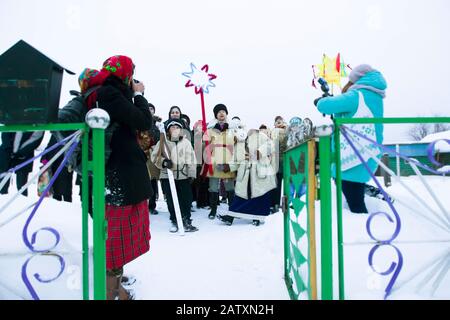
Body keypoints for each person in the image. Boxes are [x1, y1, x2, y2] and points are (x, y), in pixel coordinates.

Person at [91, 55, 153, 300]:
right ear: (125, 75)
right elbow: (143, 120)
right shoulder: (110, 94)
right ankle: (110, 292)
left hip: (123, 176)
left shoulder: (112, 93)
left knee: (121, 237)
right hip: (120, 177)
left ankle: (115, 284)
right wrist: (138, 95)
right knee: (115, 239)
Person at [316, 64, 387, 214]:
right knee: (354, 195)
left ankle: (362, 231)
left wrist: (320, 101)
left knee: (356, 206)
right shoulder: (374, 95)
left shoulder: (358, 95)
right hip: (367, 152)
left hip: (354, 157)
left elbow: (326, 106)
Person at [219, 128, 277, 226]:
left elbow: (270, 144)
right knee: (240, 196)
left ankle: (257, 217)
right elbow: (236, 161)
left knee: (260, 196)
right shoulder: (238, 146)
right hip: (245, 175)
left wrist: (259, 153)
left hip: (260, 172)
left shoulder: (259, 136)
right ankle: (230, 217)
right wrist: (227, 166)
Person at [151, 118, 198, 232]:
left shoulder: (186, 143)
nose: (175, 129)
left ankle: (186, 219)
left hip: (183, 176)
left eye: (178, 127)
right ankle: (175, 219)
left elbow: (191, 159)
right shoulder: (163, 142)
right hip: (167, 176)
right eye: (173, 127)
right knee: (171, 200)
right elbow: (154, 157)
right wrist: (163, 162)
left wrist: (191, 173)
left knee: (186, 199)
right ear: (168, 130)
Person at [203, 104, 237, 220]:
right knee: (213, 187)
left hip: (228, 160)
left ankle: (232, 209)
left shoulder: (233, 129)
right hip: (214, 160)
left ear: (226, 113)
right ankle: (213, 209)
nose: (221, 113)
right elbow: (205, 144)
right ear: (216, 115)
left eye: (223, 111)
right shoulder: (210, 129)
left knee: (229, 187)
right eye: (219, 112)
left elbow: (237, 143)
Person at [0, 131, 44, 196]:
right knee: (2, 183)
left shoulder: (37, 121)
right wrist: (8, 147)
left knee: (22, 185)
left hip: (25, 156)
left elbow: (36, 138)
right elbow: (6, 131)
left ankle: (22, 201)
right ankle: (2, 199)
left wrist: (22, 152)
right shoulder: (11, 120)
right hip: (6, 154)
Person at [138, 103, 162, 215]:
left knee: (152, 180)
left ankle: (152, 205)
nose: (150, 110)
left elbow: (158, 139)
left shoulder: (157, 124)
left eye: (152, 108)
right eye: (148, 108)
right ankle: (141, 205)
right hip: (139, 154)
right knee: (141, 180)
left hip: (152, 155)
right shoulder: (138, 119)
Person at [40, 135, 74, 202]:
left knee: (65, 191)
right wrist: (44, 158)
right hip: (54, 164)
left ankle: (67, 207)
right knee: (56, 190)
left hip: (65, 163)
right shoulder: (56, 133)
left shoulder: (68, 132)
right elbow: (50, 145)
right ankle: (58, 205)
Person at [271, 116, 288, 213]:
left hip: (283, 161)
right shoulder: (273, 132)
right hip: (276, 161)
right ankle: (275, 204)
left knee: (281, 184)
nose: (278, 123)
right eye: (276, 122)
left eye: (280, 121)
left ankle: (278, 204)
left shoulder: (286, 131)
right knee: (276, 184)